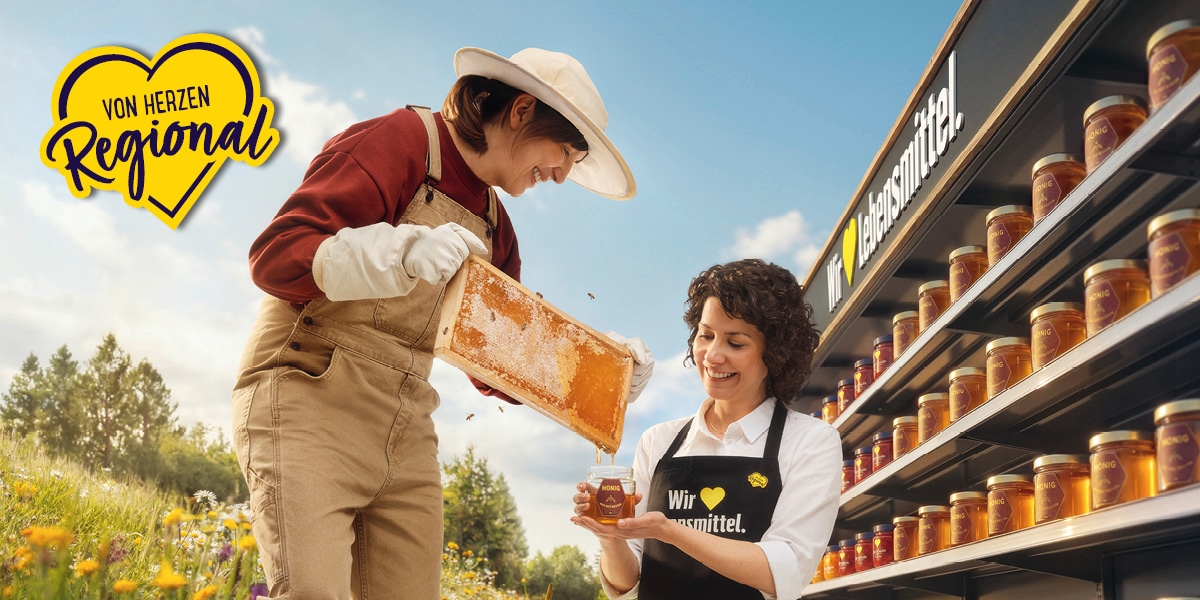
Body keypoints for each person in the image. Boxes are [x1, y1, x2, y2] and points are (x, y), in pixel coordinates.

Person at [233, 47, 654, 599]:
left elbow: (498, 367)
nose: (562, 175)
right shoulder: (399, 140)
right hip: (309, 392)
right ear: (522, 110)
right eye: (566, 151)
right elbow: (276, 255)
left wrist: (607, 374)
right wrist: (396, 253)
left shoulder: (498, 230)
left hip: (407, 427)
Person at [572, 259, 841, 600]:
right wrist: (610, 539)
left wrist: (671, 532)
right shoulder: (658, 441)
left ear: (774, 354)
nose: (713, 356)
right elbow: (628, 584)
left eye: (736, 343)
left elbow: (784, 570)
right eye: (706, 335)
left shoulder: (810, 442)